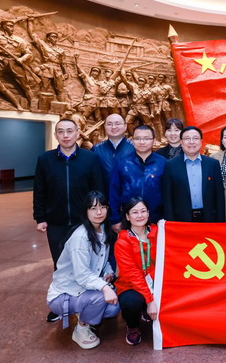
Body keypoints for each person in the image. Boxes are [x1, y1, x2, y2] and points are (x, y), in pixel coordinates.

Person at [33, 119, 104, 322]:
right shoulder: (45, 160)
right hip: (57, 222)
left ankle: (89, 301)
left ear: (77, 133)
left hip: (85, 222)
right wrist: (40, 217)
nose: (66, 135)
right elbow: (39, 190)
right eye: (61, 131)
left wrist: (98, 216)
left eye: (70, 131)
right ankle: (61, 303)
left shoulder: (90, 158)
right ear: (56, 135)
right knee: (61, 264)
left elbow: (98, 189)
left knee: (88, 262)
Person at [46, 191, 120, 349]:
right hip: (64, 294)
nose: (99, 212)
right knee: (102, 298)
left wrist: (108, 272)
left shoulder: (102, 230)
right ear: (85, 211)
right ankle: (81, 328)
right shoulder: (80, 237)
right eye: (93, 208)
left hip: (82, 289)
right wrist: (104, 287)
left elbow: (103, 260)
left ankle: (85, 310)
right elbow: (82, 275)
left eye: (103, 207)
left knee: (113, 307)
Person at [114, 197, 158, 346]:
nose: (140, 215)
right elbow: (132, 274)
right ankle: (132, 326)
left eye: (143, 211)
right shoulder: (122, 241)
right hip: (131, 285)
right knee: (131, 302)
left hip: (155, 280)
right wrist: (150, 300)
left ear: (148, 213)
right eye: (134, 212)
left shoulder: (158, 232)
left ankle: (146, 310)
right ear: (127, 216)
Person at [109, 125, 166, 231]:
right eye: (138, 138)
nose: (142, 142)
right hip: (128, 219)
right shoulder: (122, 163)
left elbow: (168, 194)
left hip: (157, 219)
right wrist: (115, 219)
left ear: (154, 141)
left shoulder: (163, 163)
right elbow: (114, 192)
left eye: (146, 138)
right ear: (132, 141)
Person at [162, 126, 225, 222]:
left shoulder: (213, 164)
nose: (191, 142)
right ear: (181, 142)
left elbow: (219, 196)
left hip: (208, 219)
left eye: (195, 138)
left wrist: (220, 222)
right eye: (187, 138)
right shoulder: (170, 165)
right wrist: (170, 222)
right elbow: (167, 197)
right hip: (181, 220)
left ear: (201, 142)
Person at [92, 113, 135, 193]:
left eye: (117, 124)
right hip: (104, 196)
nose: (114, 127)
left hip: (130, 196)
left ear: (125, 126)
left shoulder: (134, 148)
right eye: (109, 124)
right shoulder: (96, 149)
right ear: (104, 127)